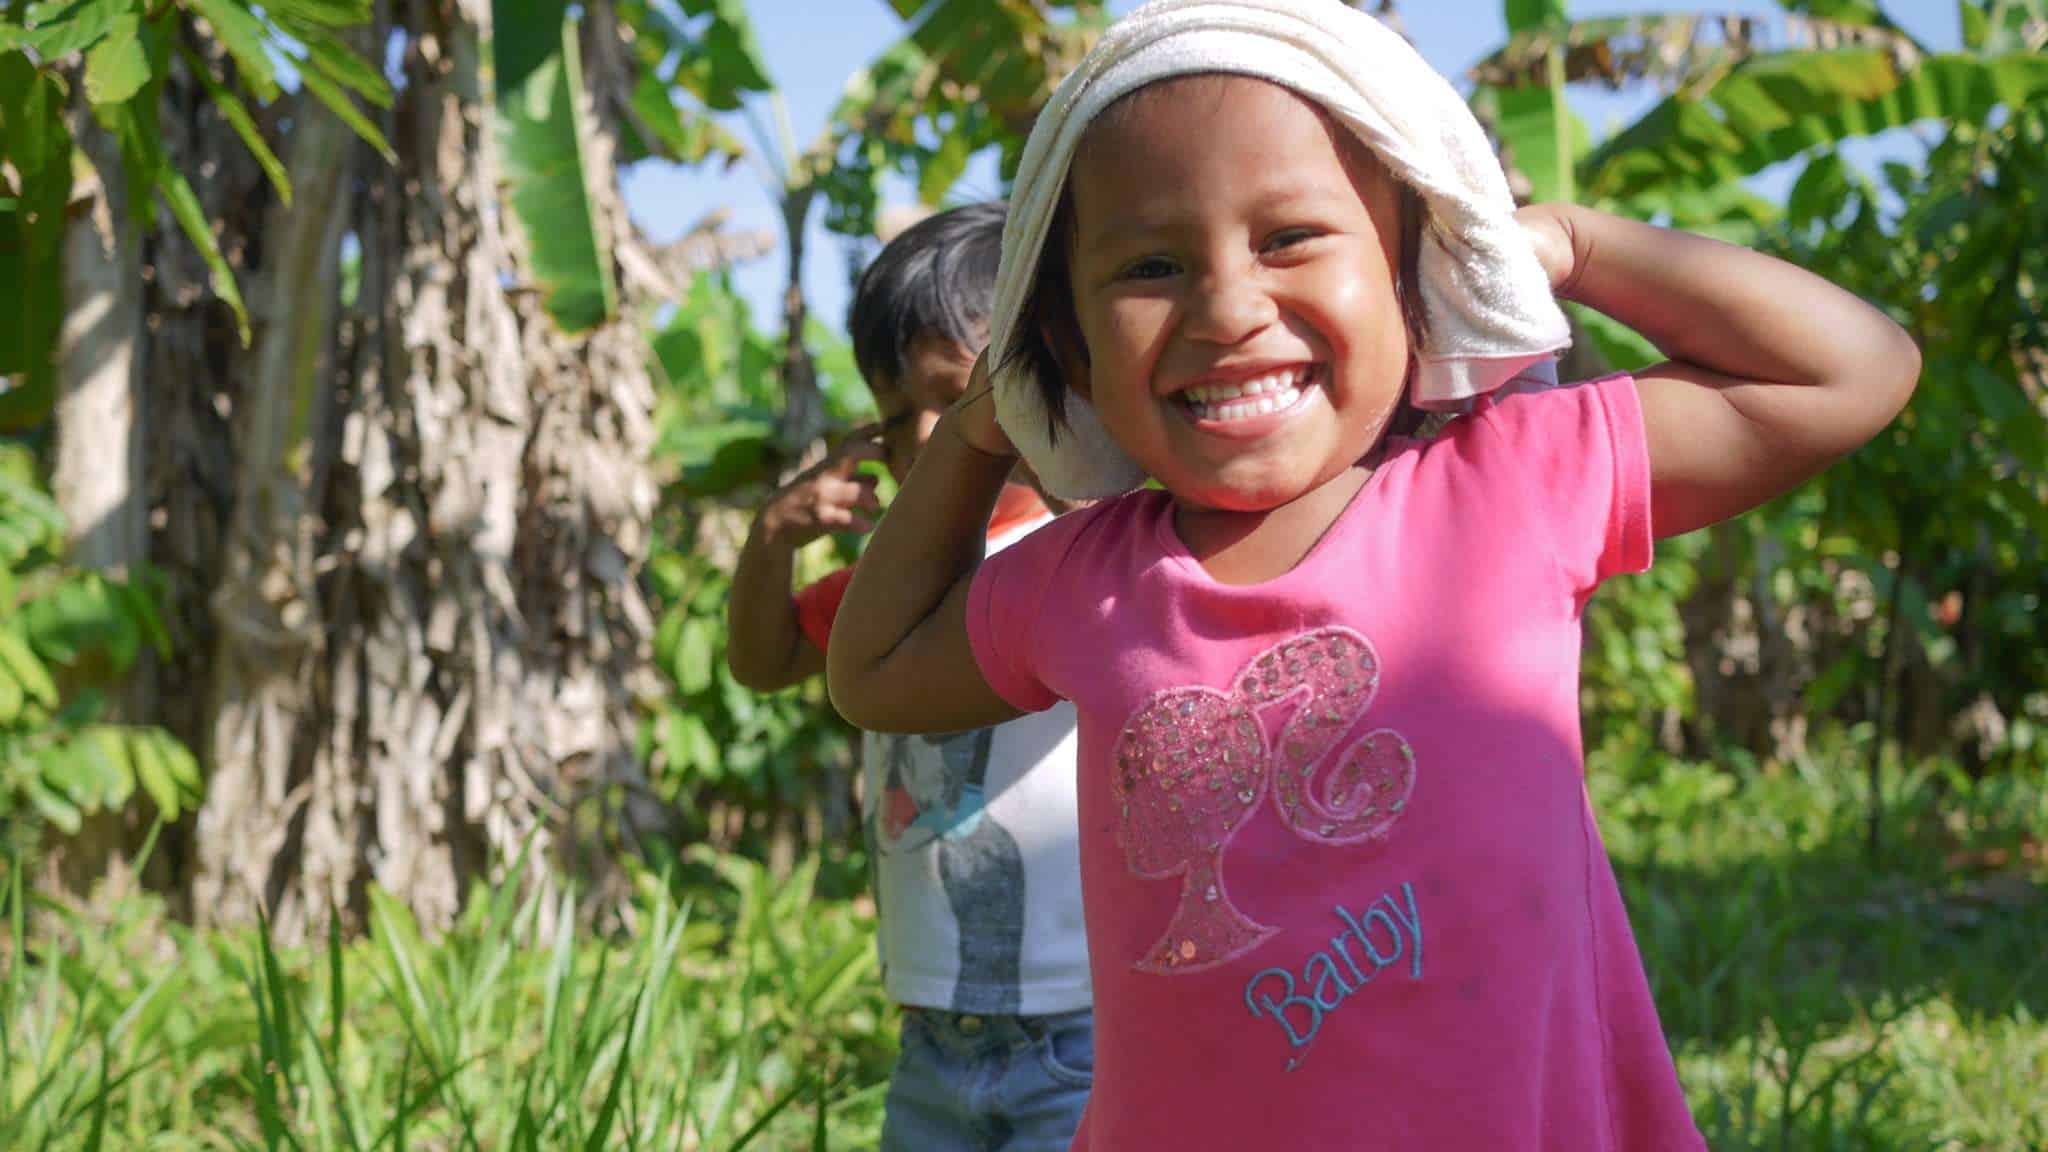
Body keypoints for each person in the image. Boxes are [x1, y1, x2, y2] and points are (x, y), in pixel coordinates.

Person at [824, 3, 1921, 1148]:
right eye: (1150, 265)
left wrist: (1572, 245)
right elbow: (874, 670)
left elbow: (1849, 370)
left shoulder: (1516, 479)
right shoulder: (1087, 580)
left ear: (1412, 271)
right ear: (1067, 338)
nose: (1228, 307)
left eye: (1288, 237)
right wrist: (979, 425)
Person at [725, 201, 1094, 1152]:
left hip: (1086, 1027)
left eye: (953, 398)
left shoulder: (1086, 551)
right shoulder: (889, 595)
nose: (927, 435)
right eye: (897, 417)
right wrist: (772, 537)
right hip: (931, 1030)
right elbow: (765, 664)